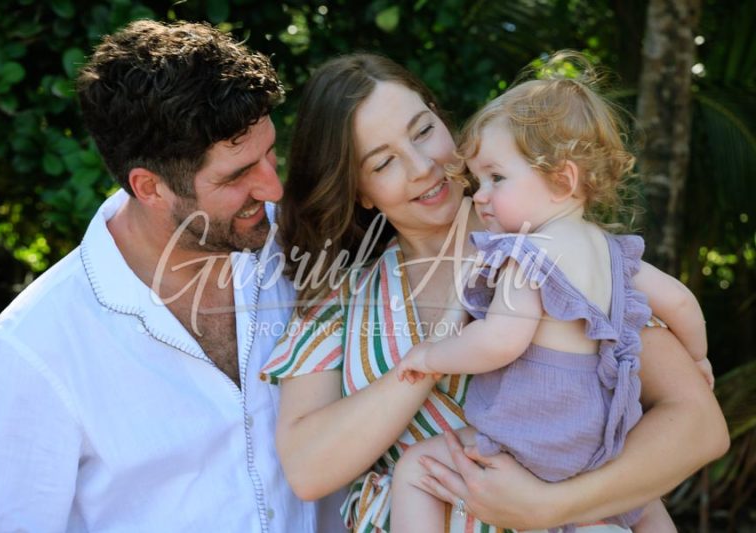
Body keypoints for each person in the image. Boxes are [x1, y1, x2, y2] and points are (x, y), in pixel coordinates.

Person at [260, 53, 729, 532]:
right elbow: (308, 470)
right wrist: (425, 359)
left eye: (423, 131)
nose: (423, 166)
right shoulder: (341, 298)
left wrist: (551, 506)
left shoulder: (546, 243)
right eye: (383, 162)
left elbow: (699, 426)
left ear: (442, 118)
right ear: (359, 189)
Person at [0, 20, 344, 532]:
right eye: (236, 175)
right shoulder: (33, 350)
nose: (273, 188)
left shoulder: (302, 246)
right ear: (150, 187)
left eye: (270, 153)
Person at [391, 52, 710, 533]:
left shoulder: (526, 254)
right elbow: (682, 301)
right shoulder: (614, 253)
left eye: (496, 177)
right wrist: (700, 359)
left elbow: (500, 342)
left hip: (532, 441)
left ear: (562, 180)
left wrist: (432, 355)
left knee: (417, 469)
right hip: (602, 442)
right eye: (479, 180)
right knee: (640, 507)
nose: (479, 195)